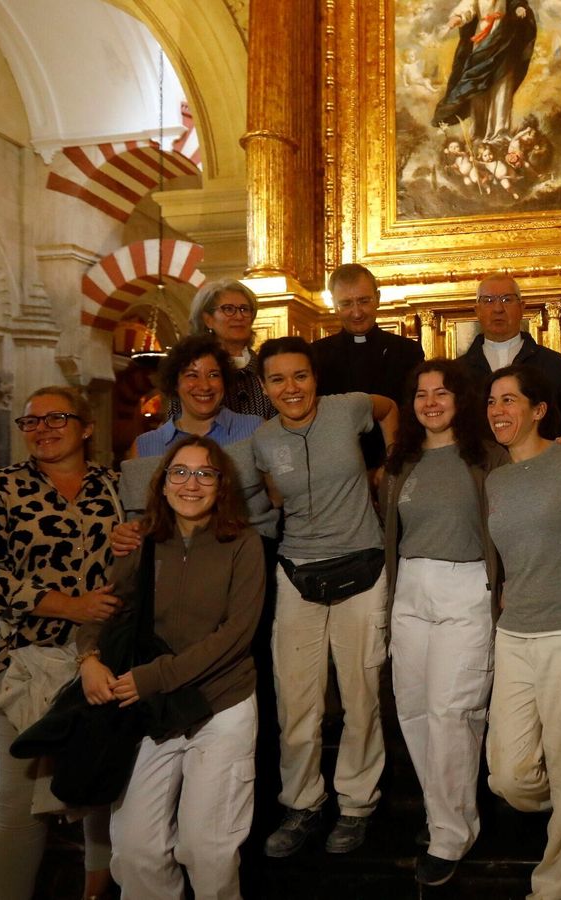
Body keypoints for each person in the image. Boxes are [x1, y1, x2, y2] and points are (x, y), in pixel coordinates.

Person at [79, 436, 265, 900]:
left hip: (219, 704)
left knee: (207, 849)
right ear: (162, 485)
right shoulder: (142, 541)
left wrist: (151, 677)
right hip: (152, 711)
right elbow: (107, 607)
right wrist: (88, 658)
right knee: (135, 850)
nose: (191, 483)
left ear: (221, 486)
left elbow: (236, 634)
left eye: (205, 473)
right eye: (179, 472)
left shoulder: (243, 543)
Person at [0, 386, 117, 900]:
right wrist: (67, 605)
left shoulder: (114, 486)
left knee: (102, 788)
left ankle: (96, 892)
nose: (43, 429)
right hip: (21, 661)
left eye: (57, 418)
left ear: (87, 428)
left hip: (102, 659)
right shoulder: (1, 488)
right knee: (20, 798)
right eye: (31, 423)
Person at [252, 336, 400, 857]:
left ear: (315, 378)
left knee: (360, 696)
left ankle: (357, 803)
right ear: (265, 387)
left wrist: (385, 465)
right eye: (277, 379)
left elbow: (389, 410)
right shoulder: (264, 440)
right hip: (297, 572)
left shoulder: (349, 408)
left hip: (362, 565)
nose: (291, 388)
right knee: (297, 698)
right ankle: (302, 803)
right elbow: (273, 494)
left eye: (300, 376)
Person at [483, 364, 561, 900]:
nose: (497, 411)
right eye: (492, 402)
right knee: (508, 776)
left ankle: (557, 889)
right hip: (514, 633)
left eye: (510, 400)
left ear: (538, 409)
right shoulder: (496, 477)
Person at [379, 359, 505, 887]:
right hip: (409, 588)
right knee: (413, 709)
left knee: (452, 711)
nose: (431, 402)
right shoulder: (401, 460)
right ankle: (441, 816)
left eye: (442, 393)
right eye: (421, 394)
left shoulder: (487, 456)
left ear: (461, 400)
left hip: (466, 586)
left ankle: (451, 834)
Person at [311, 263, 425, 467]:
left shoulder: (407, 352)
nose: (356, 313)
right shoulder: (316, 355)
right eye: (346, 303)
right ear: (335, 305)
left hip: (397, 461)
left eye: (363, 301)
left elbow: (414, 414)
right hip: (335, 466)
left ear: (378, 299)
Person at [459, 272, 561, 443]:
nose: (498, 308)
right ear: (477, 310)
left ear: (522, 307)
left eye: (507, 299)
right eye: (488, 301)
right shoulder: (458, 372)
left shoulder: (556, 366)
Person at [132, 334, 263, 459]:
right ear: (174, 383)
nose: (205, 386)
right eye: (192, 375)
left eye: (213, 375)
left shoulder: (255, 430)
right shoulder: (145, 446)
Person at [432, 0, 537, 143]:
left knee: (502, 85)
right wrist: (454, 20)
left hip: (505, 38)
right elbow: (468, 7)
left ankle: (500, 132)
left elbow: (517, 2)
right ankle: (478, 132)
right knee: (477, 86)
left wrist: (519, 8)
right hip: (482, 41)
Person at [185, 278, 274, 419]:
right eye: (228, 309)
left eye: (244, 309)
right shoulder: (190, 370)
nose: (239, 316)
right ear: (208, 319)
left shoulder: (266, 368)